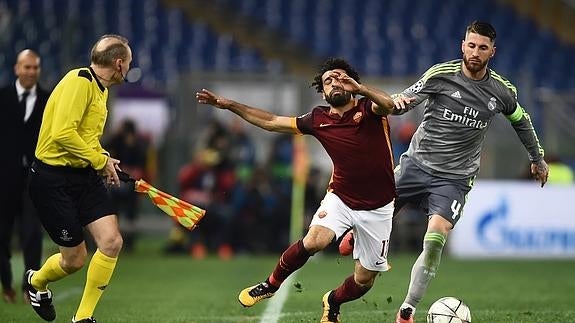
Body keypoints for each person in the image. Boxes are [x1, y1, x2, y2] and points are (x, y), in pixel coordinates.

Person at [197, 57, 411, 322]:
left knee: (364, 281)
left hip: (379, 207)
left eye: (340, 77)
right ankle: (270, 285)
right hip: (341, 198)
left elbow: (389, 105)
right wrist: (229, 105)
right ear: (322, 92)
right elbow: (272, 120)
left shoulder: (369, 108)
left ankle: (333, 301)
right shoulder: (318, 118)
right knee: (315, 240)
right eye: (328, 81)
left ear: (352, 82)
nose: (335, 83)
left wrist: (361, 88)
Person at [381, 21, 548, 323]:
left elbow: (521, 121)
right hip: (416, 165)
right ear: (462, 45)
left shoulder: (501, 90)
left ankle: (407, 309)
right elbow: (405, 99)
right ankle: (358, 238)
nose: (475, 52)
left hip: (454, 179)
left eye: (482, 47)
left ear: (492, 52)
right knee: (375, 214)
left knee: (435, 238)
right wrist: (398, 104)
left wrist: (537, 158)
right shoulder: (440, 75)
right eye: (471, 45)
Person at [26, 34, 132, 323]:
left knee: (111, 242)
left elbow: (85, 138)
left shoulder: (101, 89)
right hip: (52, 180)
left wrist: (103, 160)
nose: (130, 67)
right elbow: (62, 133)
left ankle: (82, 318)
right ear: (119, 63)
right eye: (130, 62)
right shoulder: (79, 81)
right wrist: (98, 159)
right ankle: (35, 282)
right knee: (74, 260)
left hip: (83, 177)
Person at [0, 49, 50, 303]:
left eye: (35, 67)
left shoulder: (48, 99)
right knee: (2, 234)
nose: (31, 72)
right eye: (26, 67)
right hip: (4, 178)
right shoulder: (3, 97)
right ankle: (6, 283)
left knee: (32, 234)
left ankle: (29, 286)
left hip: (35, 178)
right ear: (17, 69)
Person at [105, 119, 148, 252]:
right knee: (115, 212)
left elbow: (142, 164)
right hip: (118, 181)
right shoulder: (117, 141)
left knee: (130, 214)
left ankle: (129, 243)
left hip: (130, 184)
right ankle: (116, 239)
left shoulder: (138, 145)